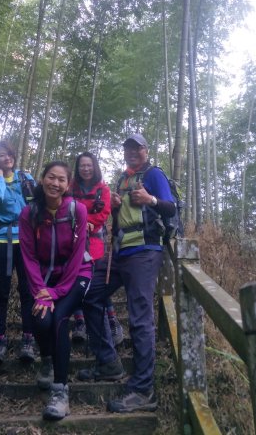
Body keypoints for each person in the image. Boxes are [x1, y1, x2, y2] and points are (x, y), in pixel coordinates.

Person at [79, 134, 176, 413]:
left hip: (145, 251)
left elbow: (171, 208)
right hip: (121, 253)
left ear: (146, 150)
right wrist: (115, 206)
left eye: (137, 148)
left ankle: (144, 390)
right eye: (127, 148)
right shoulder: (122, 179)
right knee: (89, 293)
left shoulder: (154, 174)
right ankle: (109, 362)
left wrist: (151, 199)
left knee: (140, 317)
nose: (131, 152)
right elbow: (118, 216)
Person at [19, 161, 92, 420]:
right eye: (51, 177)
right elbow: (27, 256)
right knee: (40, 319)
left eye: (61, 179)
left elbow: (75, 258)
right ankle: (48, 360)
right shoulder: (29, 213)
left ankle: (60, 391)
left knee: (59, 318)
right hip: (45, 280)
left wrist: (57, 293)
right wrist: (40, 290)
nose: (55, 183)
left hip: (77, 275)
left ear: (68, 185)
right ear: (42, 179)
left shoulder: (77, 211)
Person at [0, 141, 36, 363]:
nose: (7, 158)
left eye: (9, 154)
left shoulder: (26, 179)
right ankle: (0, 341)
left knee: (28, 290)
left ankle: (28, 340)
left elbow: (36, 204)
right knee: (1, 291)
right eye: (1, 156)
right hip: (1, 240)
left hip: (25, 239)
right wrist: (1, 176)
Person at [70, 152, 123, 347]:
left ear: (95, 166)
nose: (85, 168)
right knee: (75, 280)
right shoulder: (71, 187)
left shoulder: (103, 189)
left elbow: (104, 212)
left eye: (89, 165)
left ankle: (111, 319)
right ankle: (80, 321)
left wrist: (87, 223)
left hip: (94, 241)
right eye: (82, 165)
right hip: (73, 241)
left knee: (96, 283)